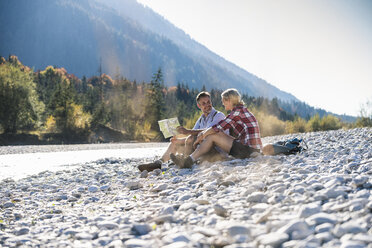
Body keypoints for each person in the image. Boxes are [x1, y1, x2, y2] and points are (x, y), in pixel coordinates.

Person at [170, 88, 263, 169]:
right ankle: (188, 159)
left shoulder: (237, 112)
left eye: (224, 101)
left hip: (250, 151)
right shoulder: (240, 110)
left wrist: (203, 135)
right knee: (214, 134)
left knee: (213, 135)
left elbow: (218, 127)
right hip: (248, 148)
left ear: (230, 100)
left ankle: (188, 161)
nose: (223, 104)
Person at [138, 91, 226, 172]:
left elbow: (209, 131)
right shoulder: (201, 119)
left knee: (191, 137)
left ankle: (185, 161)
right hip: (200, 148)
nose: (207, 105)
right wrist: (178, 141)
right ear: (199, 106)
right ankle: (158, 163)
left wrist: (187, 131)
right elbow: (193, 133)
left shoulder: (218, 115)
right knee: (175, 142)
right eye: (204, 103)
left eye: (209, 102)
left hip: (215, 151)